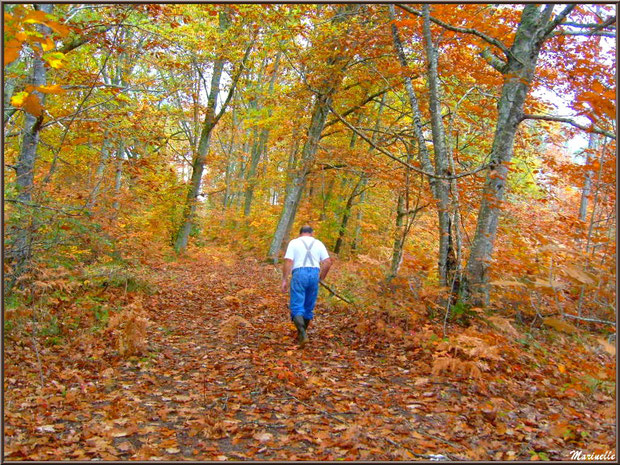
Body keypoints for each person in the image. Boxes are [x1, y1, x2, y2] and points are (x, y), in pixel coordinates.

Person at [281, 225, 332, 347]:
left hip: (299, 273)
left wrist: (284, 279)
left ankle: (302, 333)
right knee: (308, 306)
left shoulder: (294, 243)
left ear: (300, 234)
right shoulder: (318, 243)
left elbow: (288, 261)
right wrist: (321, 277)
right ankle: (302, 334)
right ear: (312, 233)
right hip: (314, 273)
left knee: (297, 305)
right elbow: (328, 262)